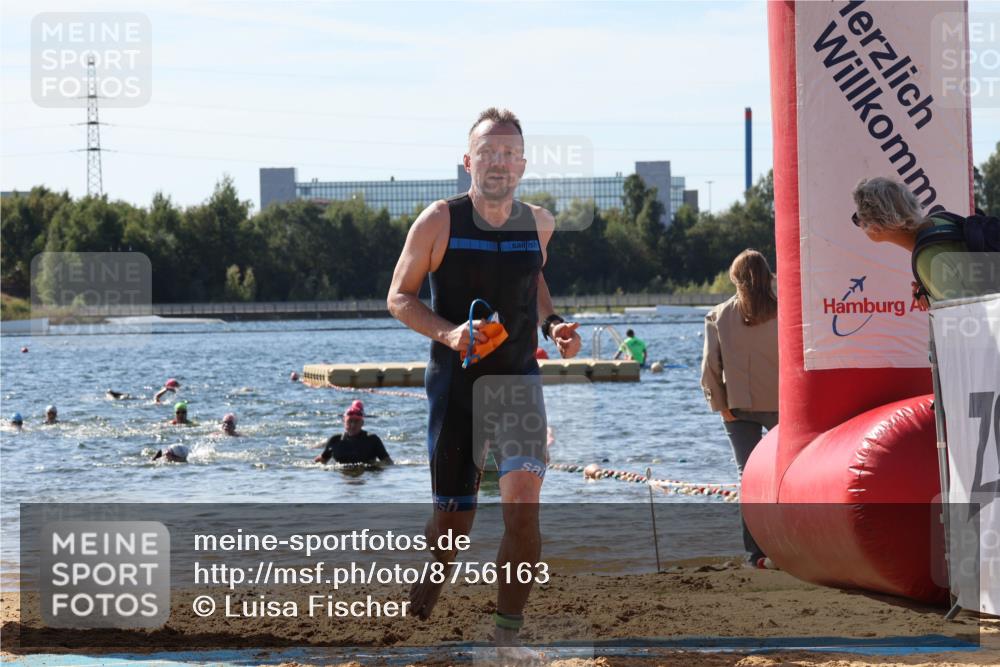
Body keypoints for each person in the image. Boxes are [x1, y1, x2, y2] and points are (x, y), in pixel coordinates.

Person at [386, 107, 582, 652]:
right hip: (457, 387)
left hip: (520, 380)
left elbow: (533, 280)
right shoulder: (438, 221)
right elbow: (398, 297)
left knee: (523, 510)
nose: (498, 162)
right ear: (467, 160)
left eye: (508, 153)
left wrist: (554, 323)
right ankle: (434, 569)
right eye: (487, 152)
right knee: (454, 527)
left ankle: (505, 636)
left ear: (522, 163)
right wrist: (450, 335)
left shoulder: (539, 223)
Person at [701, 249, 779, 569]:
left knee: (747, 478)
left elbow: (709, 368)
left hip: (738, 408)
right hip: (781, 406)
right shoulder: (786, 310)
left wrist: (720, 406)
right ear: (767, 275)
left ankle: (755, 553)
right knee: (784, 476)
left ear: (735, 278)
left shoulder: (718, 315)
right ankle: (789, 545)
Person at [852, 177, 999, 303]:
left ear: (877, 226)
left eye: (858, 218)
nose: (857, 222)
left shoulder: (928, 259)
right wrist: (932, 296)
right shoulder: (940, 219)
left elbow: (962, 324)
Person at [314, 401, 392, 465]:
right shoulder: (335, 440)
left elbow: (388, 463)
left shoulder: (372, 440)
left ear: (362, 423)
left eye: (356, 421)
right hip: (342, 479)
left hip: (366, 478)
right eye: (350, 421)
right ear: (344, 422)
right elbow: (322, 461)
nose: (353, 425)